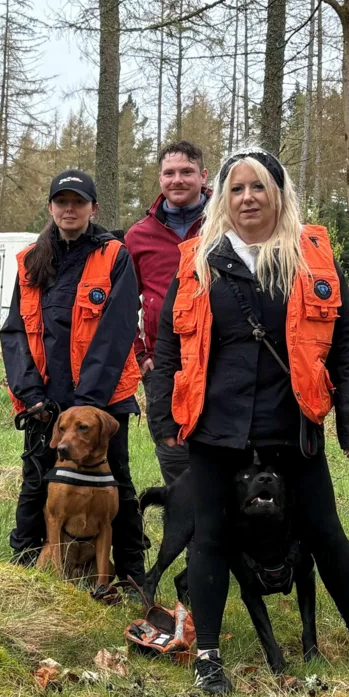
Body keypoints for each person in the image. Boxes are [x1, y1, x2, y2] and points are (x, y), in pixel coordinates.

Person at [144, 148, 349, 694]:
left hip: (293, 423)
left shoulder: (311, 258)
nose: (248, 198)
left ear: (279, 194)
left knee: (326, 534)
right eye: (236, 189)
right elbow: (167, 347)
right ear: (223, 200)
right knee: (209, 538)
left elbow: (345, 343)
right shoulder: (199, 260)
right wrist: (163, 416)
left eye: (259, 188)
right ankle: (208, 654)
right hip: (215, 427)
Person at [1, 169, 147, 591]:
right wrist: (30, 394)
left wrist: (87, 402)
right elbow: (15, 332)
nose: (69, 209)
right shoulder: (31, 260)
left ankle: (131, 574)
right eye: (61, 201)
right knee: (37, 480)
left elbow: (117, 331)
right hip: (45, 398)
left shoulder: (114, 256)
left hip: (101, 401)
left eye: (78, 202)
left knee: (116, 481)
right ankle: (25, 565)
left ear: (93, 208)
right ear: (50, 208)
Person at [124, 140, 211, 490]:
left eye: (187, 172)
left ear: (203, 176)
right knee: (172, 448)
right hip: (162, 363)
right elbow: (123, 305)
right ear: (159, 178)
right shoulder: (138, 236)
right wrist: (141, 356)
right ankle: (187, 523)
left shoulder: (224, 226)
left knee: (215, 445)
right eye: (170, 173)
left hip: (215, 356)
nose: (178, 180)